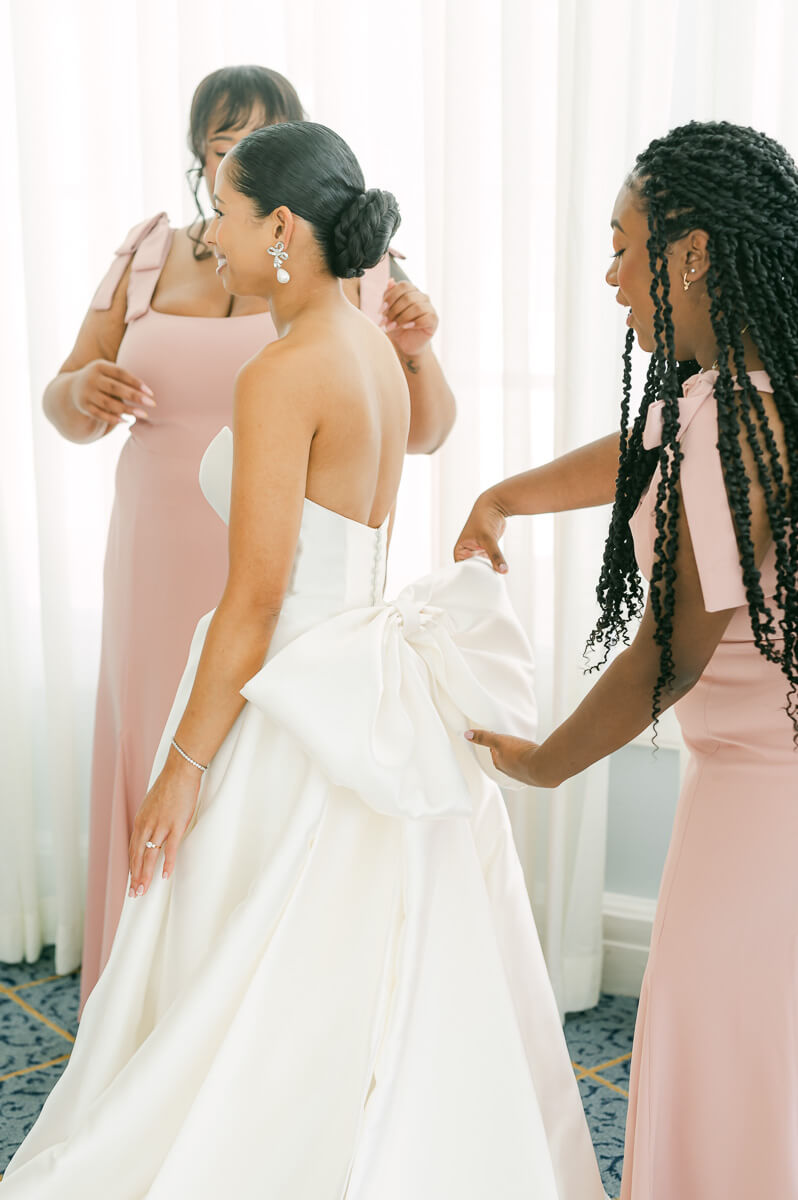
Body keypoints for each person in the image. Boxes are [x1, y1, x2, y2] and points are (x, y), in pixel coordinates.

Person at [2, 121, 604, 1199]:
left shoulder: (284, 370)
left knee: (245, 967)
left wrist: (181, 767)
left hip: (286, 692)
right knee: (349, 963)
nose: (207, 229)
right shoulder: (371, 349)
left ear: (280, 226)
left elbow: (257, 599)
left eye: (223, 211)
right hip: (359, 682)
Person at [42, 64, 456, 1011]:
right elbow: (62, 395)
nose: (233, 154)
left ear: (287, 205)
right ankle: (148, 995)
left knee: (240, 780)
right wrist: (81, 394)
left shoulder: (349, 290)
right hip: (157, 553)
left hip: (272, 574)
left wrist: (422, 346)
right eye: (222, 140)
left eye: (256, 142)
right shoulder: (148, 251)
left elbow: (418, 426)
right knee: (166, 751)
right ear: (199, 149)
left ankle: (221, 1012)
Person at [457, 120, 798, 1200]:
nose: (610, 277)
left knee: (729, 1056)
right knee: (733, 1052)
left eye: (622, 245)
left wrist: (543, 765)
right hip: (750, 780)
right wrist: (506, 493)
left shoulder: (736, 417)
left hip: (767, 802)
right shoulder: (730, 390)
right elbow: (639, 450)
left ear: (691, 251)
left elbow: (674, 645)